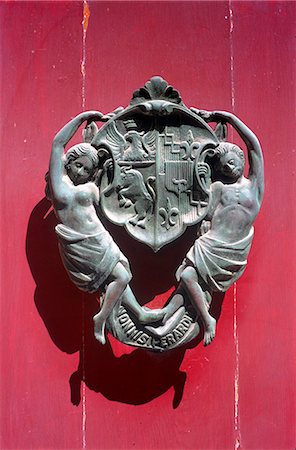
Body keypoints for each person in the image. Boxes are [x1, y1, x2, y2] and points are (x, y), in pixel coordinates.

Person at [49, 111, 164, 345]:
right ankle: (100, 318)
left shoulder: (88, 185)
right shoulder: (60, 187)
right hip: (82, 242)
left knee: (121, 273)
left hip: (100, 237)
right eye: (77, 166)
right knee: (122, 275)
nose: (81, 172)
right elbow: (57, 144)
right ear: (69, 163)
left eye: (86, 169)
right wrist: (82, 117)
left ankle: (139, 313)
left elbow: (109, 194)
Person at [176, 110, 264, 346]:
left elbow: (254, 146)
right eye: (224, 167)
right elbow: (207, 214)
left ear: (243, 162)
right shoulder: (218, 188)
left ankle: (167, 317)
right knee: (186, 276)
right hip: (211, 244)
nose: (229, 169)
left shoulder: (254, 186)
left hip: (234, 249)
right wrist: (203, 225)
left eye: (233, 163)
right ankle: (207, 319)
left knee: (187, 281)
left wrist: (228, 118)